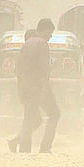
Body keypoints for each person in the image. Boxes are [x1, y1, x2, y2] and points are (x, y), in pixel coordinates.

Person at [12, 19, 60, 153]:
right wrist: (46, 83)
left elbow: (19, 68)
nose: (50, 37)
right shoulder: (42, 43)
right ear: (43, 30)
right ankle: (45, 148)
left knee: (29, 118)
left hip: (26, 85)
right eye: (50, 33)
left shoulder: (27, 43)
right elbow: (44, 69)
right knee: (54, 114)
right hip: (38, 85)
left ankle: (23, 148)